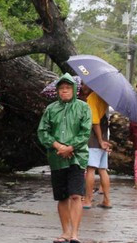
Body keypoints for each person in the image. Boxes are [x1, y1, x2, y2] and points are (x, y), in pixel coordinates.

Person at [37, 73, 92, 243]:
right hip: (57, 158)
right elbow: (42, 131)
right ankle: (65, 232)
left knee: (76, 195)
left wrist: (70, 147)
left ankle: (75, 233)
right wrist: (58, 146)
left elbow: (85, 132)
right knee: (62, 197)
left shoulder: (83, 108)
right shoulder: (51, 109)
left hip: (77, 158)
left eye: (68, 88)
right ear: (57, 91)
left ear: (74, 90)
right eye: (61, 89)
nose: (64, 91)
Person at [80, 84, 112, 209]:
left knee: (91, 169)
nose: (82, 86)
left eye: (84, 84)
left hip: (94, 139)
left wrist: (100, 140)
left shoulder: (93, 98)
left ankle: (88, 199)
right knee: (103, 169)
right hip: (105, 136)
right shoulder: (104, 98)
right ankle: (107, 200)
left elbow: (95, 122)